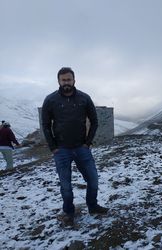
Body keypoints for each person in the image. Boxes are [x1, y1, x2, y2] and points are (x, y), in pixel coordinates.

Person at [42, 67, 108, 225]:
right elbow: (45, 125)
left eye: (69, 79)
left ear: (74, 80)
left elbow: (94, 121)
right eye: (63, 80)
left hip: (81, 148)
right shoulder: (50, 100)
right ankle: (69, 212)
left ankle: (92, 206)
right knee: (65, 185)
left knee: (93, 180)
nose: (66, 82)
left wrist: (88, 142)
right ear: (58, 81)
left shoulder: (84, 98)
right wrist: (53, 147)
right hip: (61, 150)